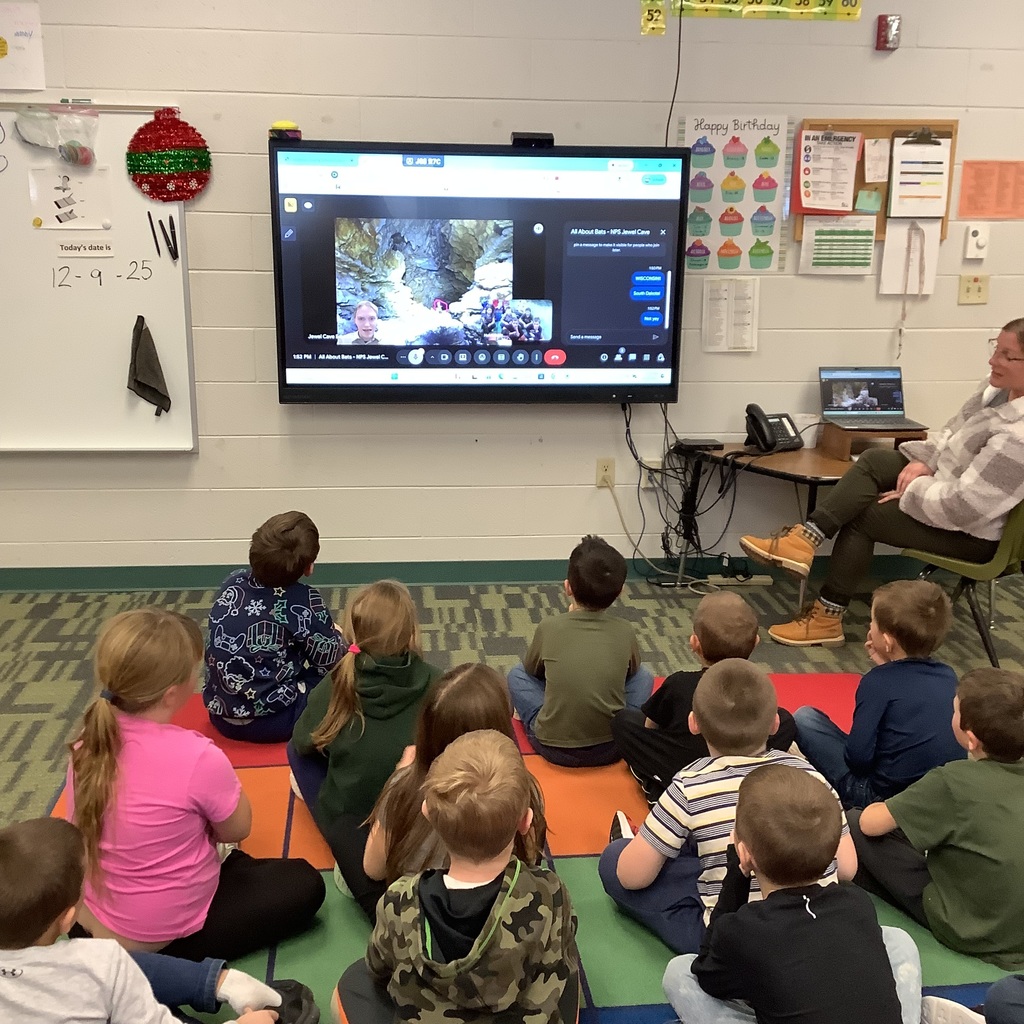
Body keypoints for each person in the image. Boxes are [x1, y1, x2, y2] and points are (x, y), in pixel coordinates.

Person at [739, 318, 1024, 647]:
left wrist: (912, 490)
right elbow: (950, 432)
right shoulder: (994, 391)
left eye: (1006, 355)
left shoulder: (1017, 438)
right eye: (995, 349)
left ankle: (827, 619)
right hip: (946, 485)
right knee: (875, 460)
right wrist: (924, 461)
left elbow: (965, 507)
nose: (992, 360)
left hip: (973, 533)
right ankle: (805, 540)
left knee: (865, 517)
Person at [66, 608, 326, 962]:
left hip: (88, 917)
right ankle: (162, 960)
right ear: (173, 694)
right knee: (304, 883)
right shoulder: (195, 755)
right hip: (153, 934)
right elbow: (237, 829)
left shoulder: (87, 741)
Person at [599, 659, 857, 954]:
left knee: (614, 861)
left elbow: (631, 877)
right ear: (775, 723)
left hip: (734, 938)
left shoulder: (690, 783)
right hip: (813, 927)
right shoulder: (810, 775)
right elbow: (847, 868)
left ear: (694, 723)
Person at [334, 730, 580, 1024]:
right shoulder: (550, 892)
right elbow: (562, 953)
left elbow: (378, 966)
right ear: (526, 822)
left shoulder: (400, 901)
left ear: (427, 812)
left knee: (352, 982)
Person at [662, 764, 914, 1024]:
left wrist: (737, 873)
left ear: (744, 852)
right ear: (832, 851)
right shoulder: (857, 903)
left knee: (679, 972)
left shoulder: (743, 928)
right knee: (897, 939)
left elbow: (708, 975)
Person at [0, 817, 288, 1024]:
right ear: (67, 919)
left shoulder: (96, 962)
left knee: (110, 966)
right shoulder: (95, 966)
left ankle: (220, 982)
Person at [849, 667, 1024, 970]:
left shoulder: (953, 780)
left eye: (954, 711)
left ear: (971, 739)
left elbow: (869, 824)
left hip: (969, 928)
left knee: (854, 823)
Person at [288, 580, 441, 916]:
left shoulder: (337, 680)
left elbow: (302, 740)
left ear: (353, 633)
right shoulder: (439, 681)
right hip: (421, 829)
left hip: (357, 838)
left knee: (296, 752)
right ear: (411, 633)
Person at [360, 663, 547, 910]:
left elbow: (373, 870)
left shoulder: (403, 790)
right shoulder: (524, 790)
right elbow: (531, 857)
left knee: (344, 840)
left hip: (422, 915)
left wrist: (399, 776)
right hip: (500, 913)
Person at [794, 579, 965, 808]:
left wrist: (882, 673)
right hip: (937, 795)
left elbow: (858, 759)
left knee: (804, 718)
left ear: (886, 641)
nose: (869, 626)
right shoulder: (948, 675)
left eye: (872, 621)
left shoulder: (877, 683)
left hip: (881, 799)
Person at [611, 591, 796, 802]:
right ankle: (745, 770)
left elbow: (650, 726)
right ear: (756, 642)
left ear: (694, 643)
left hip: (681, 764)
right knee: (787, 721)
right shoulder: (758, 685)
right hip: (741, 755)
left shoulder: (679, 683)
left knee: (623, 721)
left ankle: (663, 783)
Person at [507, 534, 654, 767]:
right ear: (620, 592)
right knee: (644, 676)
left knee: (516, 674)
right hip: (614, 745)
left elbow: (532, 671)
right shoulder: (625, 630)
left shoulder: (549, 626)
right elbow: (632, 672)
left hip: (553, 747)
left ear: (567, 588)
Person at [203, 510, 345, 743]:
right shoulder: (304, 599)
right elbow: (331, 659)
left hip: (221, 714)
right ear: (309, 567)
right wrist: (338, 635)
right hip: (277, 720)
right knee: (340, 672)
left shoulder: (232, 582)